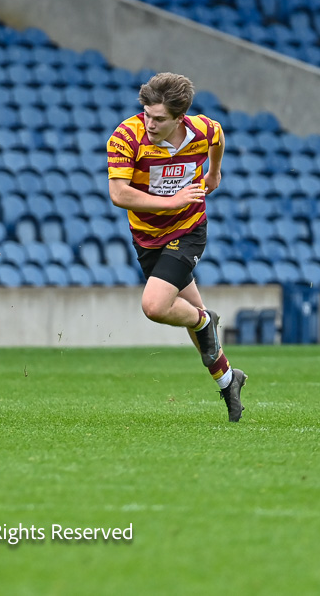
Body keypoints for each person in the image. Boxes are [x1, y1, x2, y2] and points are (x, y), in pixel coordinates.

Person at [106, 72, 247, 422]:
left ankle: (204, 320)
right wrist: (171, 201)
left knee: (155, 306)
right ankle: (229, 381)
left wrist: (214, 172)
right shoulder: (127, 136)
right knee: (196, 324)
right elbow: (119, 194)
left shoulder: (200, 130)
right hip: (147, 237)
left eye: (159, 119)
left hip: (188, 230)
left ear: (180, 118)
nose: (150, 123)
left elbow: (218, 136)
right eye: (146, 114)